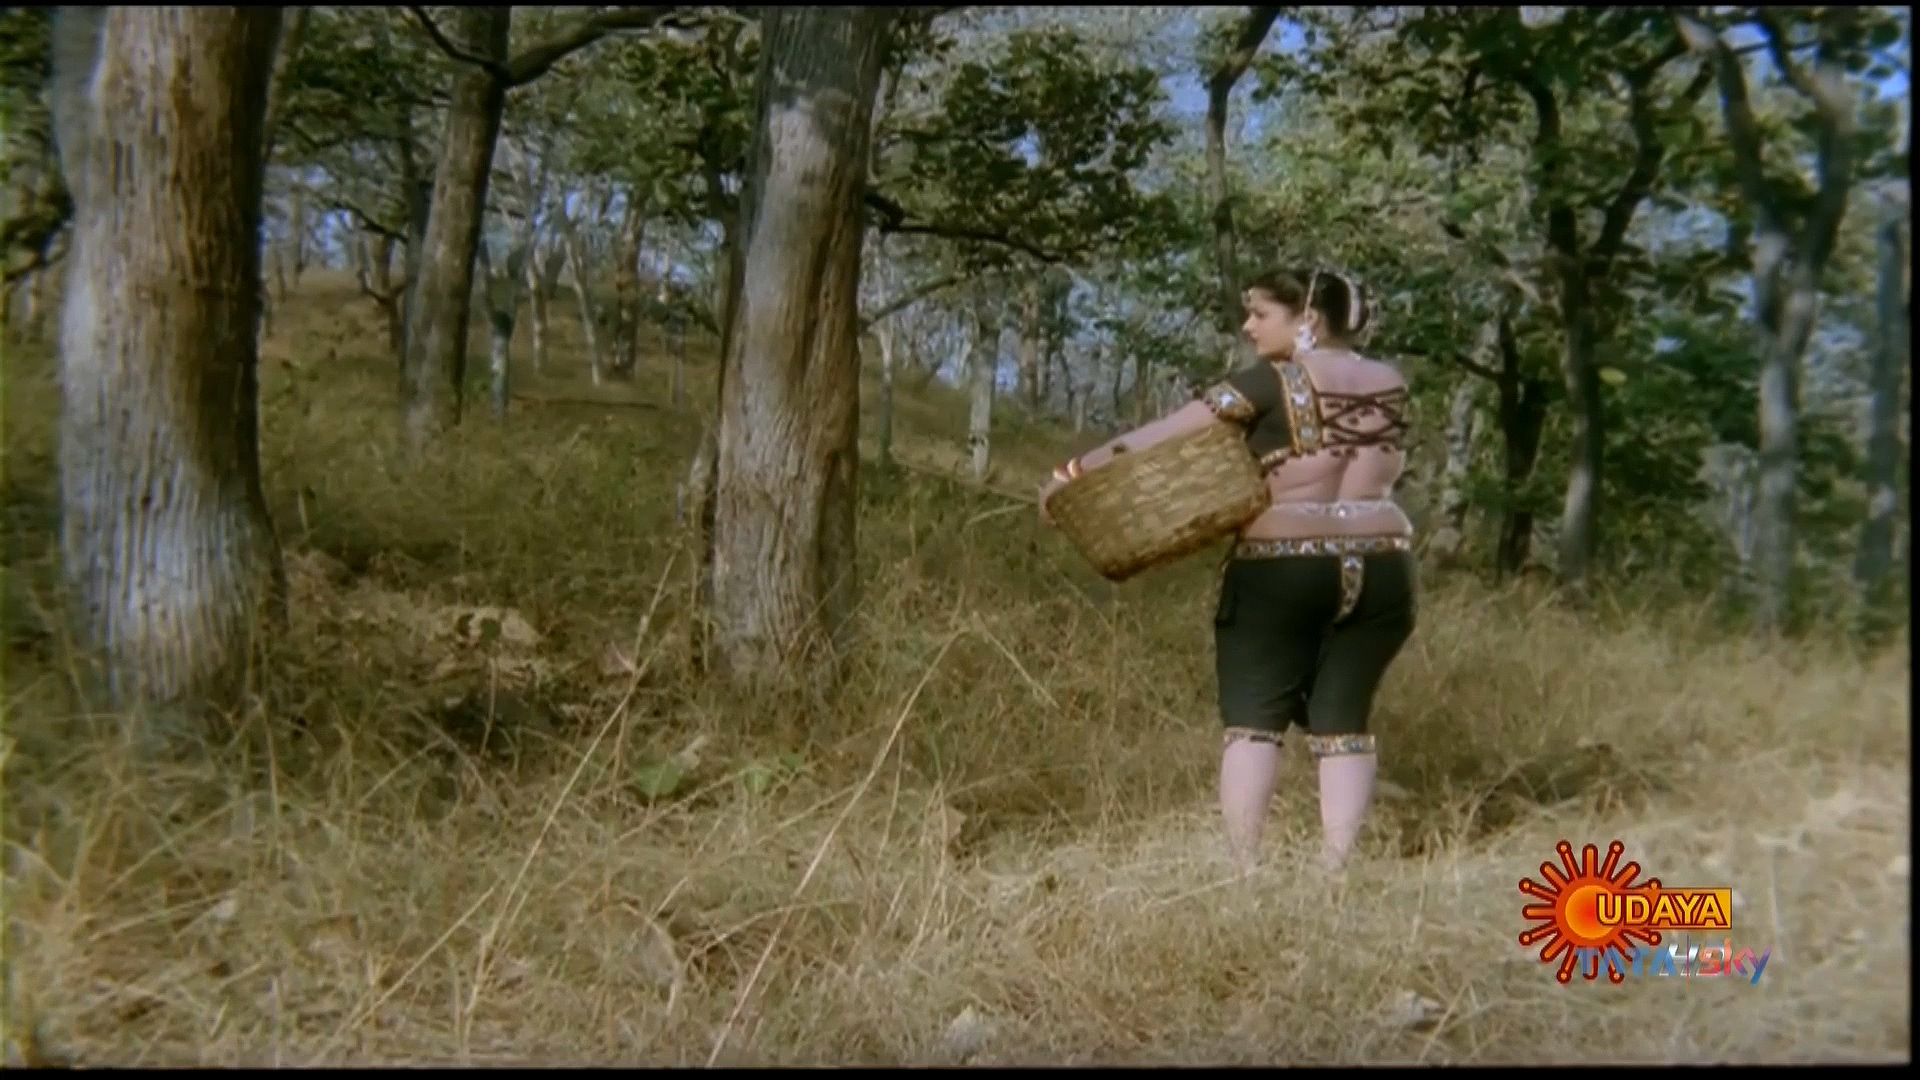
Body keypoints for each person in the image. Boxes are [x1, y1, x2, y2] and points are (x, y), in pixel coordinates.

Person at [1038, 267, 1416, 877]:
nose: (1248, 326)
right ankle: (1335, 873)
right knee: (1345, 721)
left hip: (1284, 567)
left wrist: (1070, 476)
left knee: (1254, 721)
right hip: (1383, 566)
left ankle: (1244, 872)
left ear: (1307, 319)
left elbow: (1161, 436)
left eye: (1261, 314)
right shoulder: (1391, 383)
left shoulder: (1269, 381)